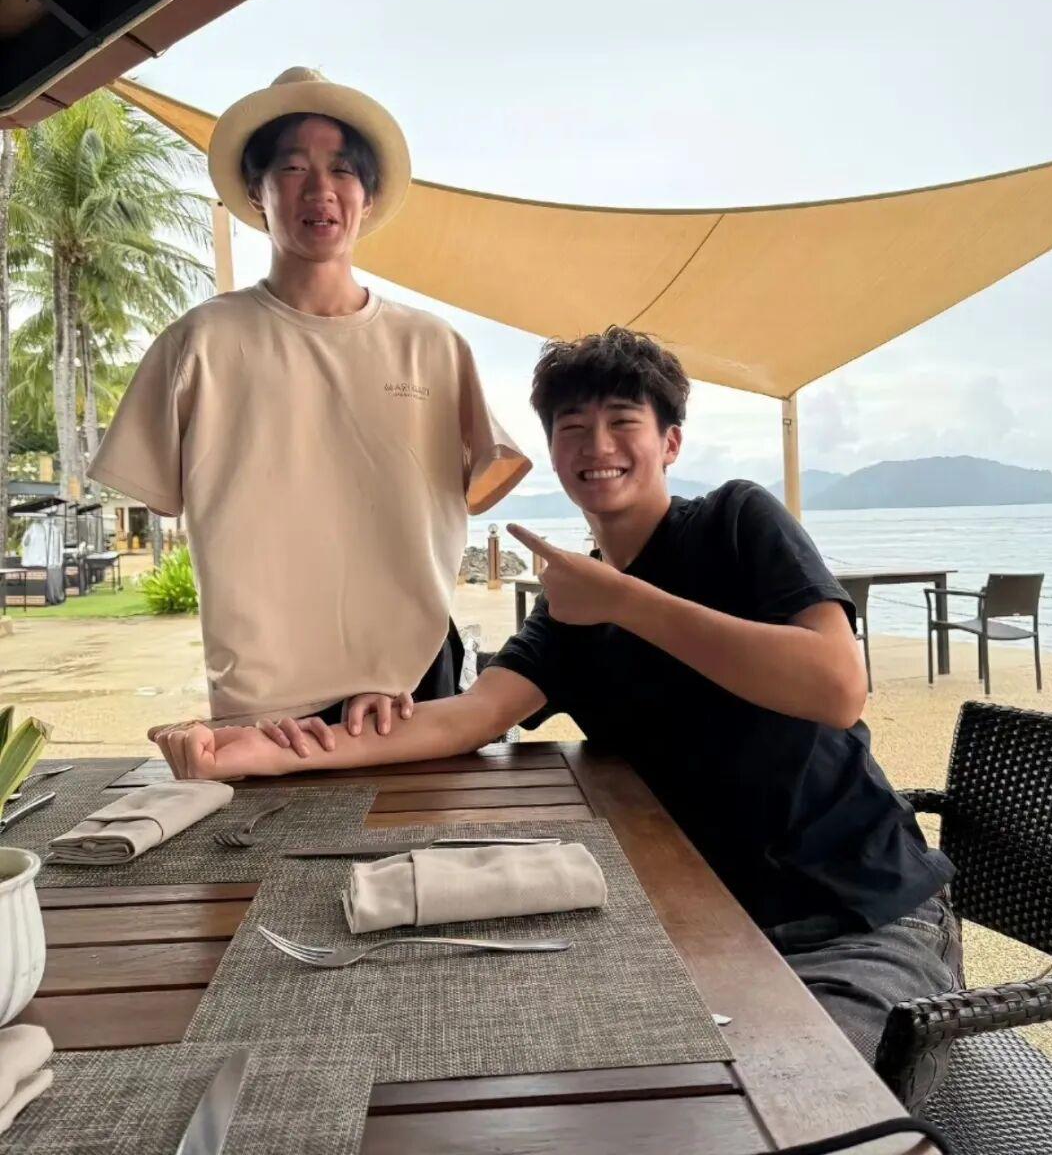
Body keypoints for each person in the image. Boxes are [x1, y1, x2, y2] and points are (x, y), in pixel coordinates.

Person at [153, 326, 961, 1106]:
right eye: (572, 427)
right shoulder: (571, 609)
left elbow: (835, 686)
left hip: (860, 917)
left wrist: (624, 599)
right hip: (702, 926)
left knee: (810, 1115)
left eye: (622, 422)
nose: (596, 444)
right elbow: (465, 718)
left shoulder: (736, 523)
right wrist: (259, 751)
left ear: (671, 443)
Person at [92, 67, 530, 747]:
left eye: (343, 170)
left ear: (368, 196)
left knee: (427, 820)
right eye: (293, 167)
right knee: (274, 822)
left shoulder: (433, 347)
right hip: (266, 699)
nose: (320, 188)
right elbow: (155, 491)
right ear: (257, 192)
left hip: (411, 680)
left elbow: (487, 476)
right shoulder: (198, 344)